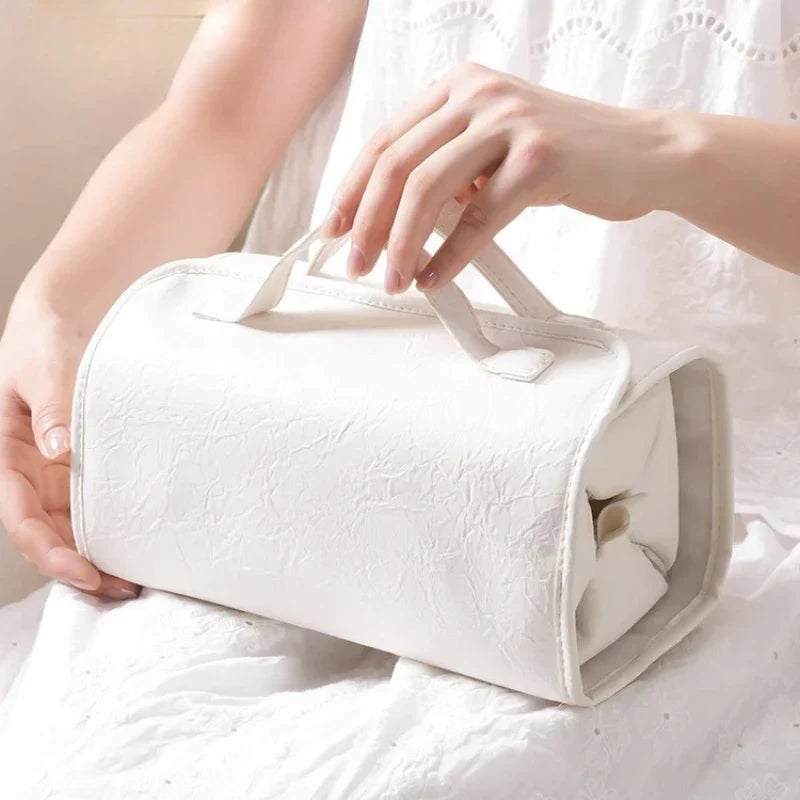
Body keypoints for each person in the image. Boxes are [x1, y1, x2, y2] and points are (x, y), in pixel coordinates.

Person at [1, 0, 798, 606]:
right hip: (295, 456)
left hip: (709, 516)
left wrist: (669, 152)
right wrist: (55, 313)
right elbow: (224, 118)